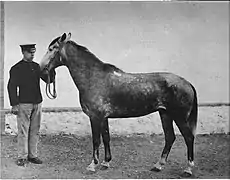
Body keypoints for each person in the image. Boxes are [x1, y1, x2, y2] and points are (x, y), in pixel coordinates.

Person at [7, 44, 55, 166]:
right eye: (30, 52)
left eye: (33, 52)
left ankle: (32, 155)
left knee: (35, 130)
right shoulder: (16, 68)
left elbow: (48, 79)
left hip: (37, 103)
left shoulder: (36, 67)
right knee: (23, 131)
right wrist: (14, 104)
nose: (32, 54)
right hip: (24, 104)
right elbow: (11, 86)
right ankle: (22, 157)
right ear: (23, 52)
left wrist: (51, 69)